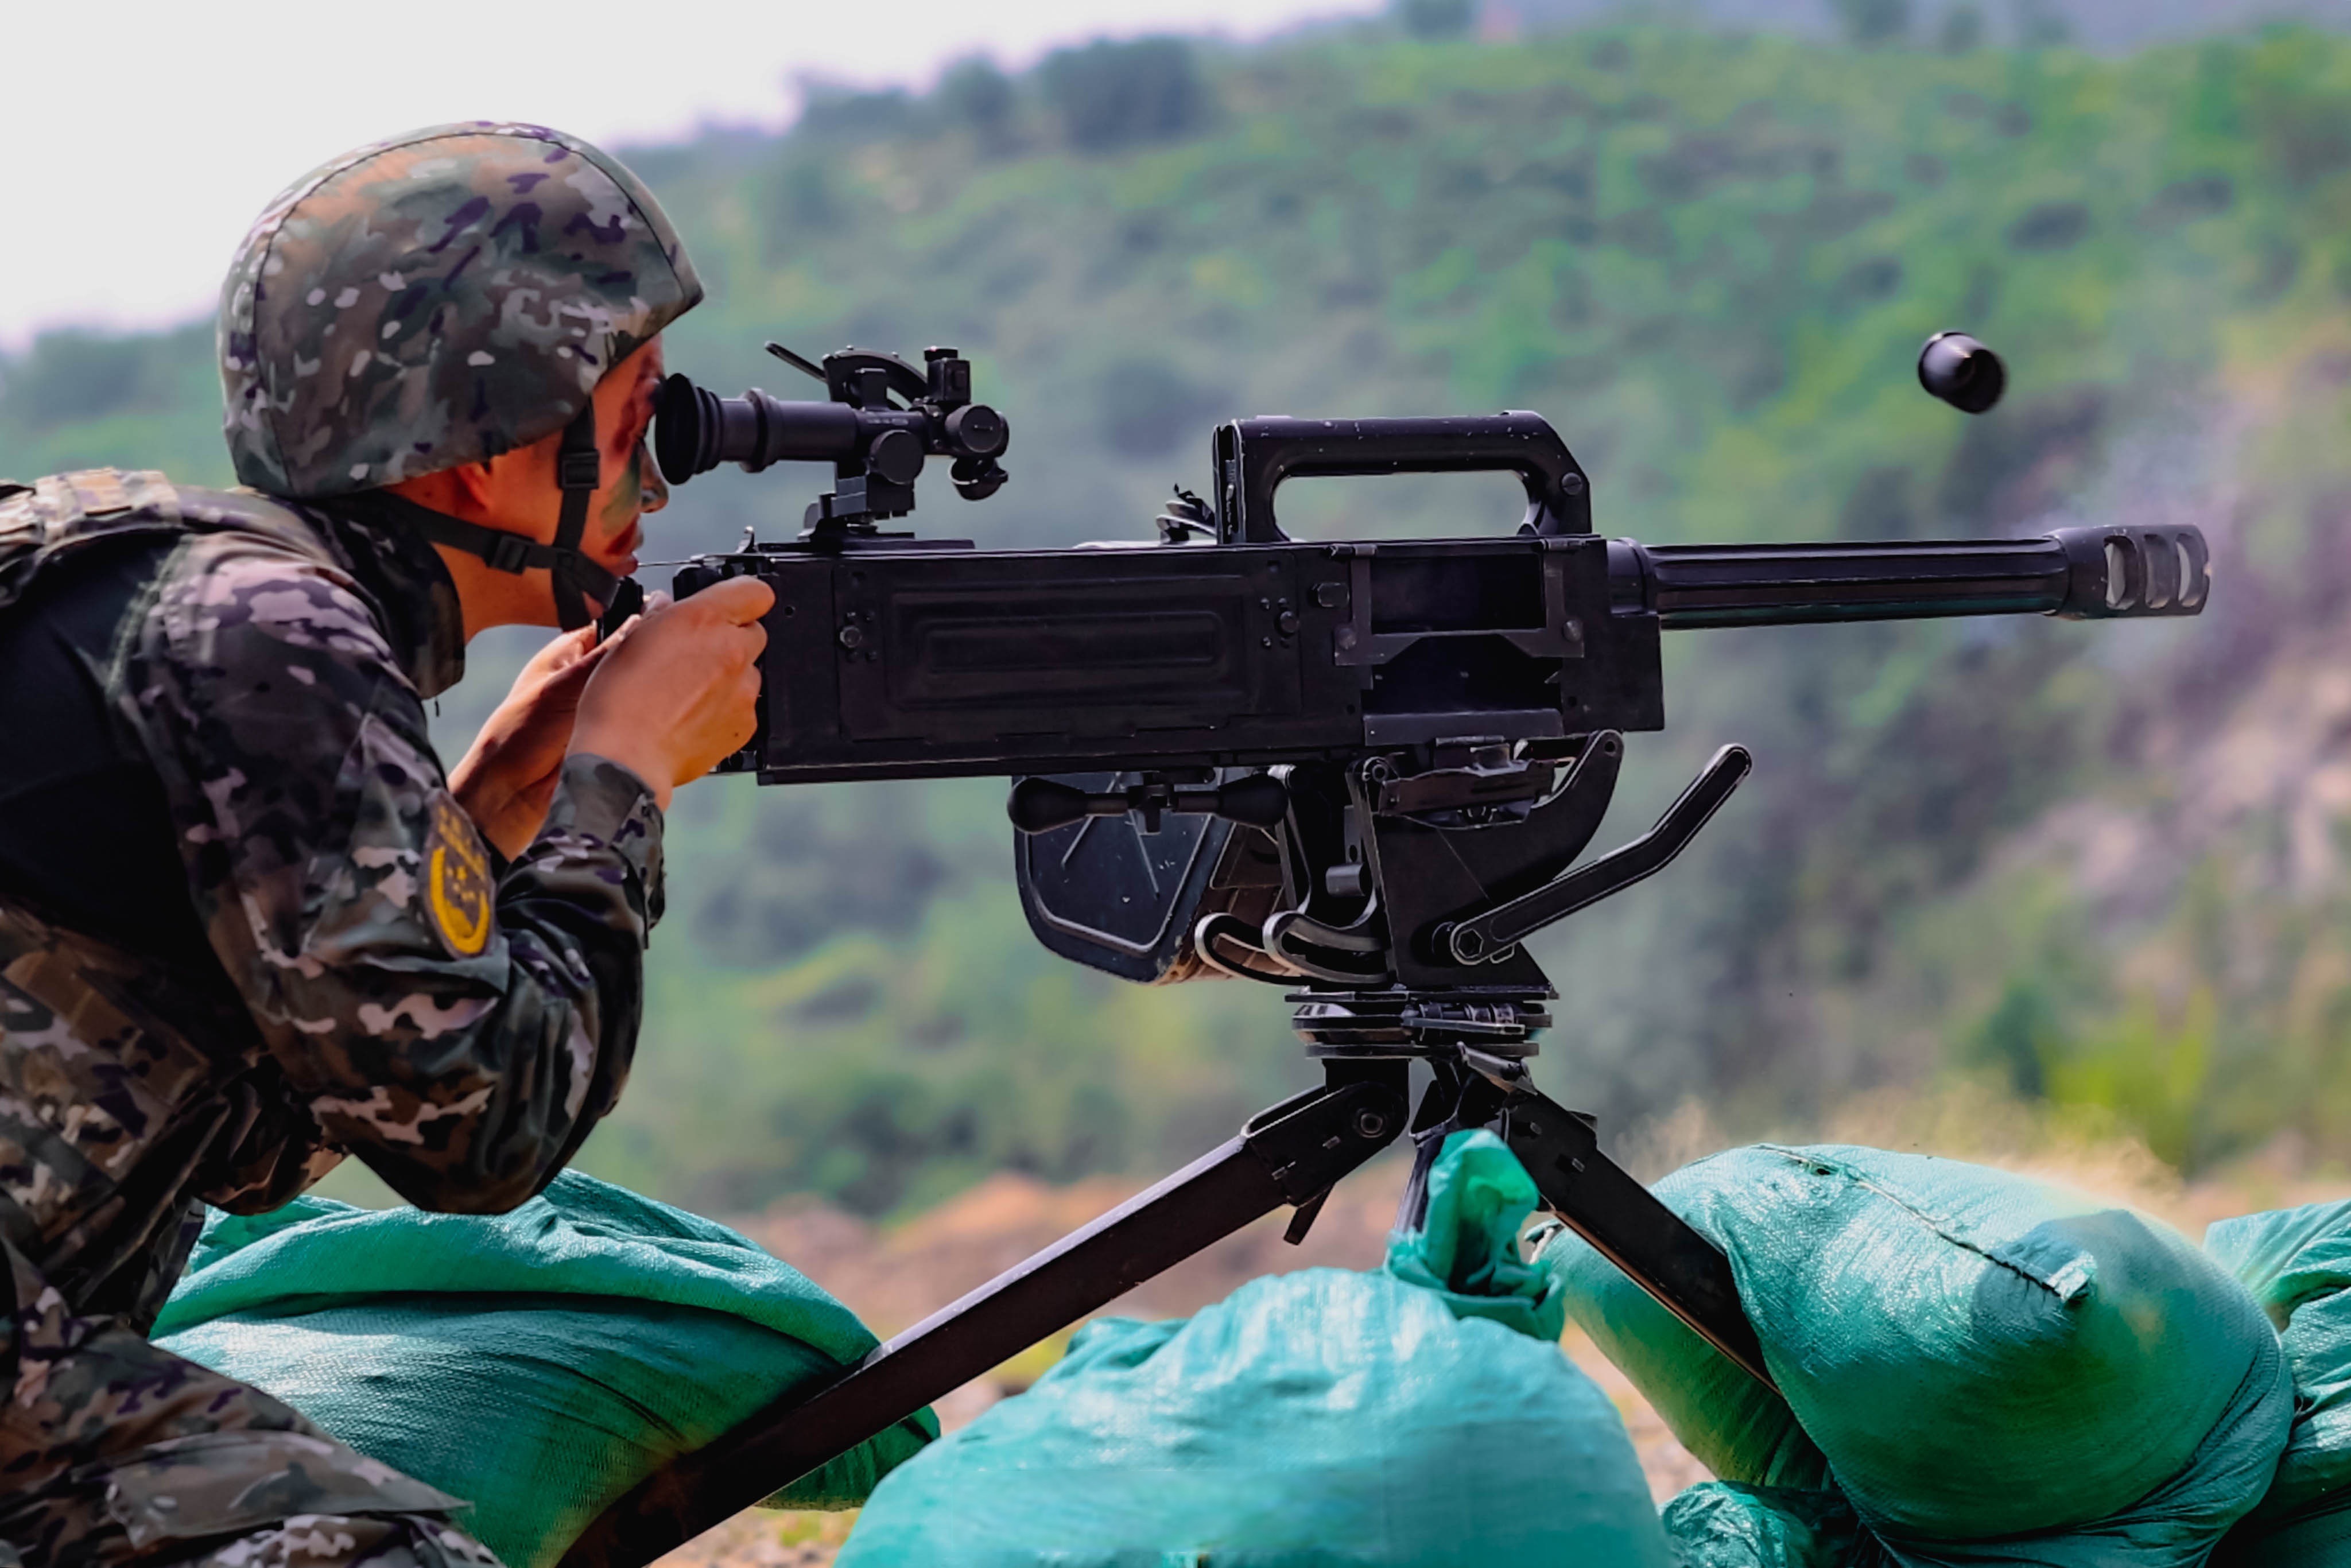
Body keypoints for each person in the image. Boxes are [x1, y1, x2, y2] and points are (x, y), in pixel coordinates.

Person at [0, 122, 774, 1568]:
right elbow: (481, 1135)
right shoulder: (267, 639)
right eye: (635, 418)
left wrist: (481, 817)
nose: (657, 479)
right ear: (484, 458)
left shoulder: (220, 611)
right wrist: (625, 781)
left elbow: (272, 1135)